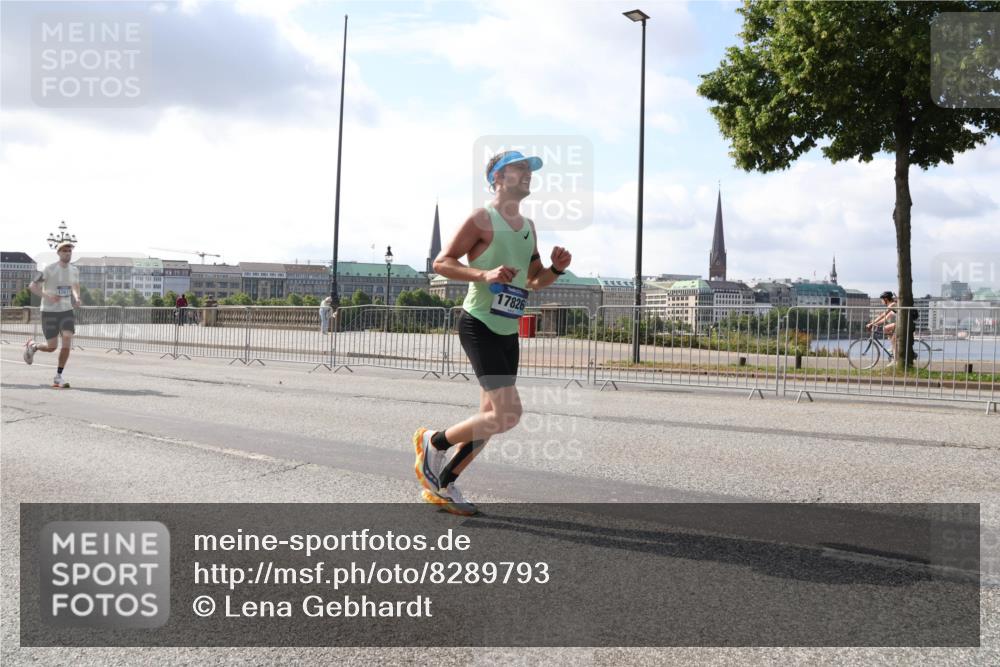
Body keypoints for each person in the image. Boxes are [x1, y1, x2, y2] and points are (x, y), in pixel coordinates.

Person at [413, 150, 572, 515]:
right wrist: (483, 274)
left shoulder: (529, 227)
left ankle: (446, 484)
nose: (528, 174)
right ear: (498, 178)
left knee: (490, 420)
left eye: (530, 170)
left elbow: (535, 281)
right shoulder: (482, 219)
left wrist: (556, 269)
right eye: (519, 168)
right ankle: (433, 443)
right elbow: (442, 262)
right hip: (479, 323)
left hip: (507, 330)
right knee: (508, 414)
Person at [23, 240, 81, 388]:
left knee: (67, 338)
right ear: (58, 253)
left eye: (69, 251)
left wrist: (77, 297)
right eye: (64, 251)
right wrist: (48, 296)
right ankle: (33, 346)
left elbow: (75, 285)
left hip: (66, 310)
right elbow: (32, 286)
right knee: (52, 347)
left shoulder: (74, 270)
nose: (67, 253)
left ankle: (58, 376)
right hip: (49, 312)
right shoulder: (48, 269)